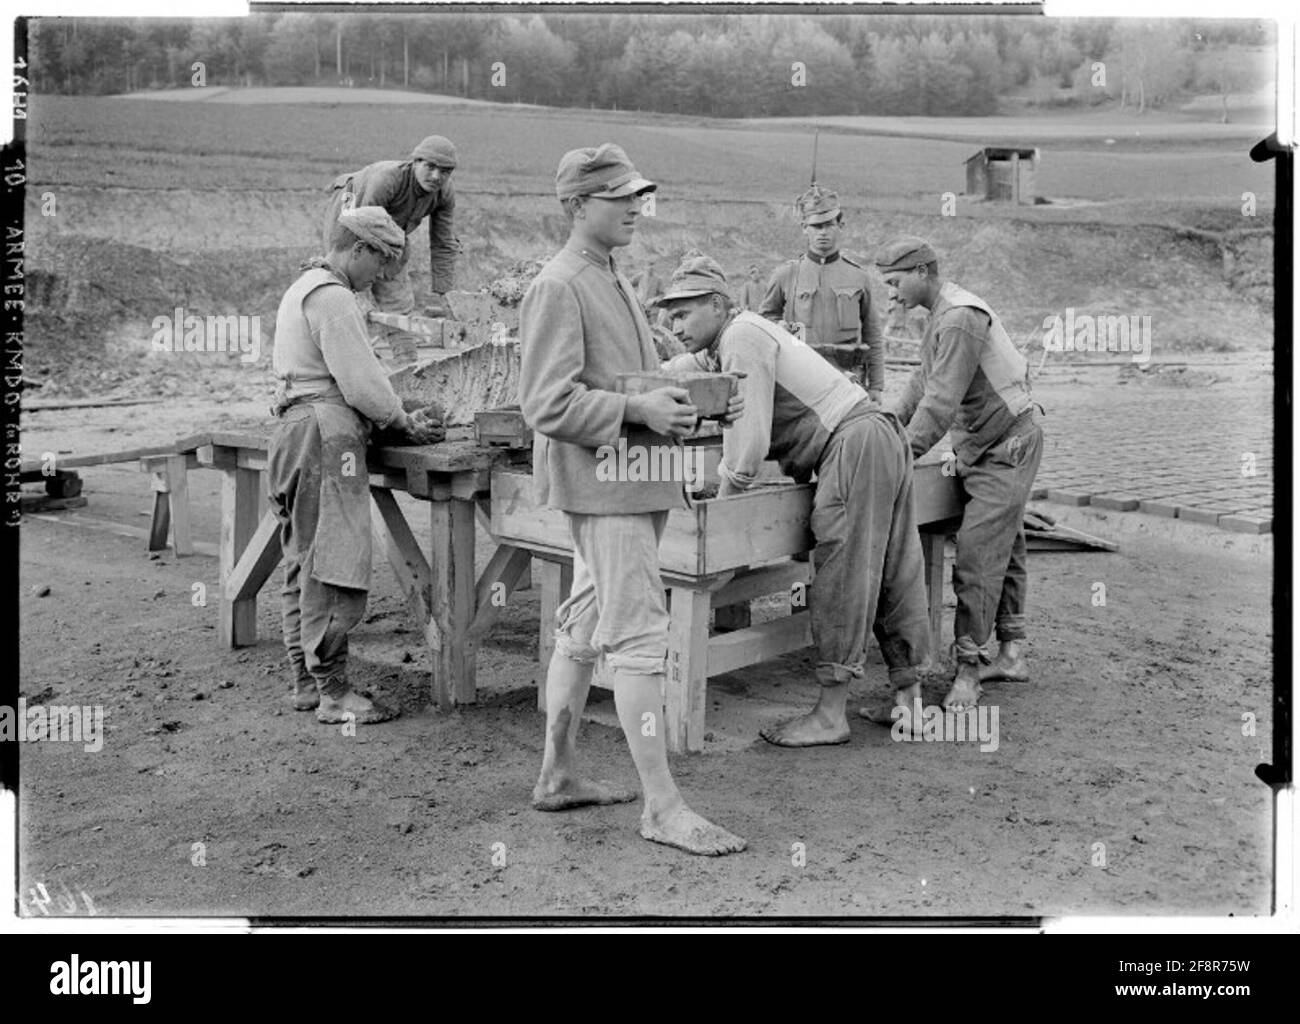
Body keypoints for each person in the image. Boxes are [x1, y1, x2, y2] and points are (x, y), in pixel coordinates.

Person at [518, 145, 746, 856]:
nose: (634, 209)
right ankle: (662, 807)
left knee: (585, 626)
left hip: (630, 480)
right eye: (619, 198)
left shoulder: (608, 276)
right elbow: (546, 403)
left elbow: (614, 379)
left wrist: (664, 400)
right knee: (642, 646)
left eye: (636, 196)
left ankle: (557, 775)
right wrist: (638, 409)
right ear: (577, 206)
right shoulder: (560, 285)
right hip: (607, 491)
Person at [656, 253, 931, 746]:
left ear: (718, 305)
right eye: (668, 315)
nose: (673, 324)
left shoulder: (742, 337)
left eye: (682, 314)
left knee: (843, 566)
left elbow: (749, 447)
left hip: (854, 443)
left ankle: (830, 714)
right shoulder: (729, 338)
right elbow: (681, 368)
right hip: (874, 434)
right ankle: (908, 699)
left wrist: (723, 507)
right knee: (891, 563)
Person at [269, 206, 444, 724]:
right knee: (333, 562)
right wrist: (401, 419)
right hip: (325, 434)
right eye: (382, 262)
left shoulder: (303, 287)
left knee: (303, 560)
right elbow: (361, 383)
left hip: (294, 430)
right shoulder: (333, 295)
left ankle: (308, 682)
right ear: (358, 249)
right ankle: (334, 694)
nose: (382, 276)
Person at [875, 235, 1045, 711]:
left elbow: (941, 402)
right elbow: (919, 384)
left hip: (1008, 445)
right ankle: (1011, 653)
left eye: (895, 282)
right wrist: (887, 429)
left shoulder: (960, 319)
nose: (890, 294)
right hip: (984, 445)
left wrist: (899, 457)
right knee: (1004, 545)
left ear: (923, 273)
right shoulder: (941, 318)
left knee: (976, 555)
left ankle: (969, 669)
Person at [322, 135, 460, 365]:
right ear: (415, 162)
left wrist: (446, 293)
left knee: (398, 301)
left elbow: (443, 243)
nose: (437, 176)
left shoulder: (444, 193)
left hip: (392, 229)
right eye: (430, 167)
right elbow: (361, 228)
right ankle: (352, 361)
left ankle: (408, 365)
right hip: (351, 206)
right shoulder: (387, 179)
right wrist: (361, 294)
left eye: (445, 171)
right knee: (347, 280)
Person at [760, 185, 884, 404]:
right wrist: (780, 326)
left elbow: (872, 333)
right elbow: (764, 321)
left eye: (828, 225)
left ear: (841, 225)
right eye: (816, 226)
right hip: (800, 375)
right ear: (804, 228)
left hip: (848, 377)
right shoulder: (786, 275)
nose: (822, 232)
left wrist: (876, 385)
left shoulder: (859, 277)